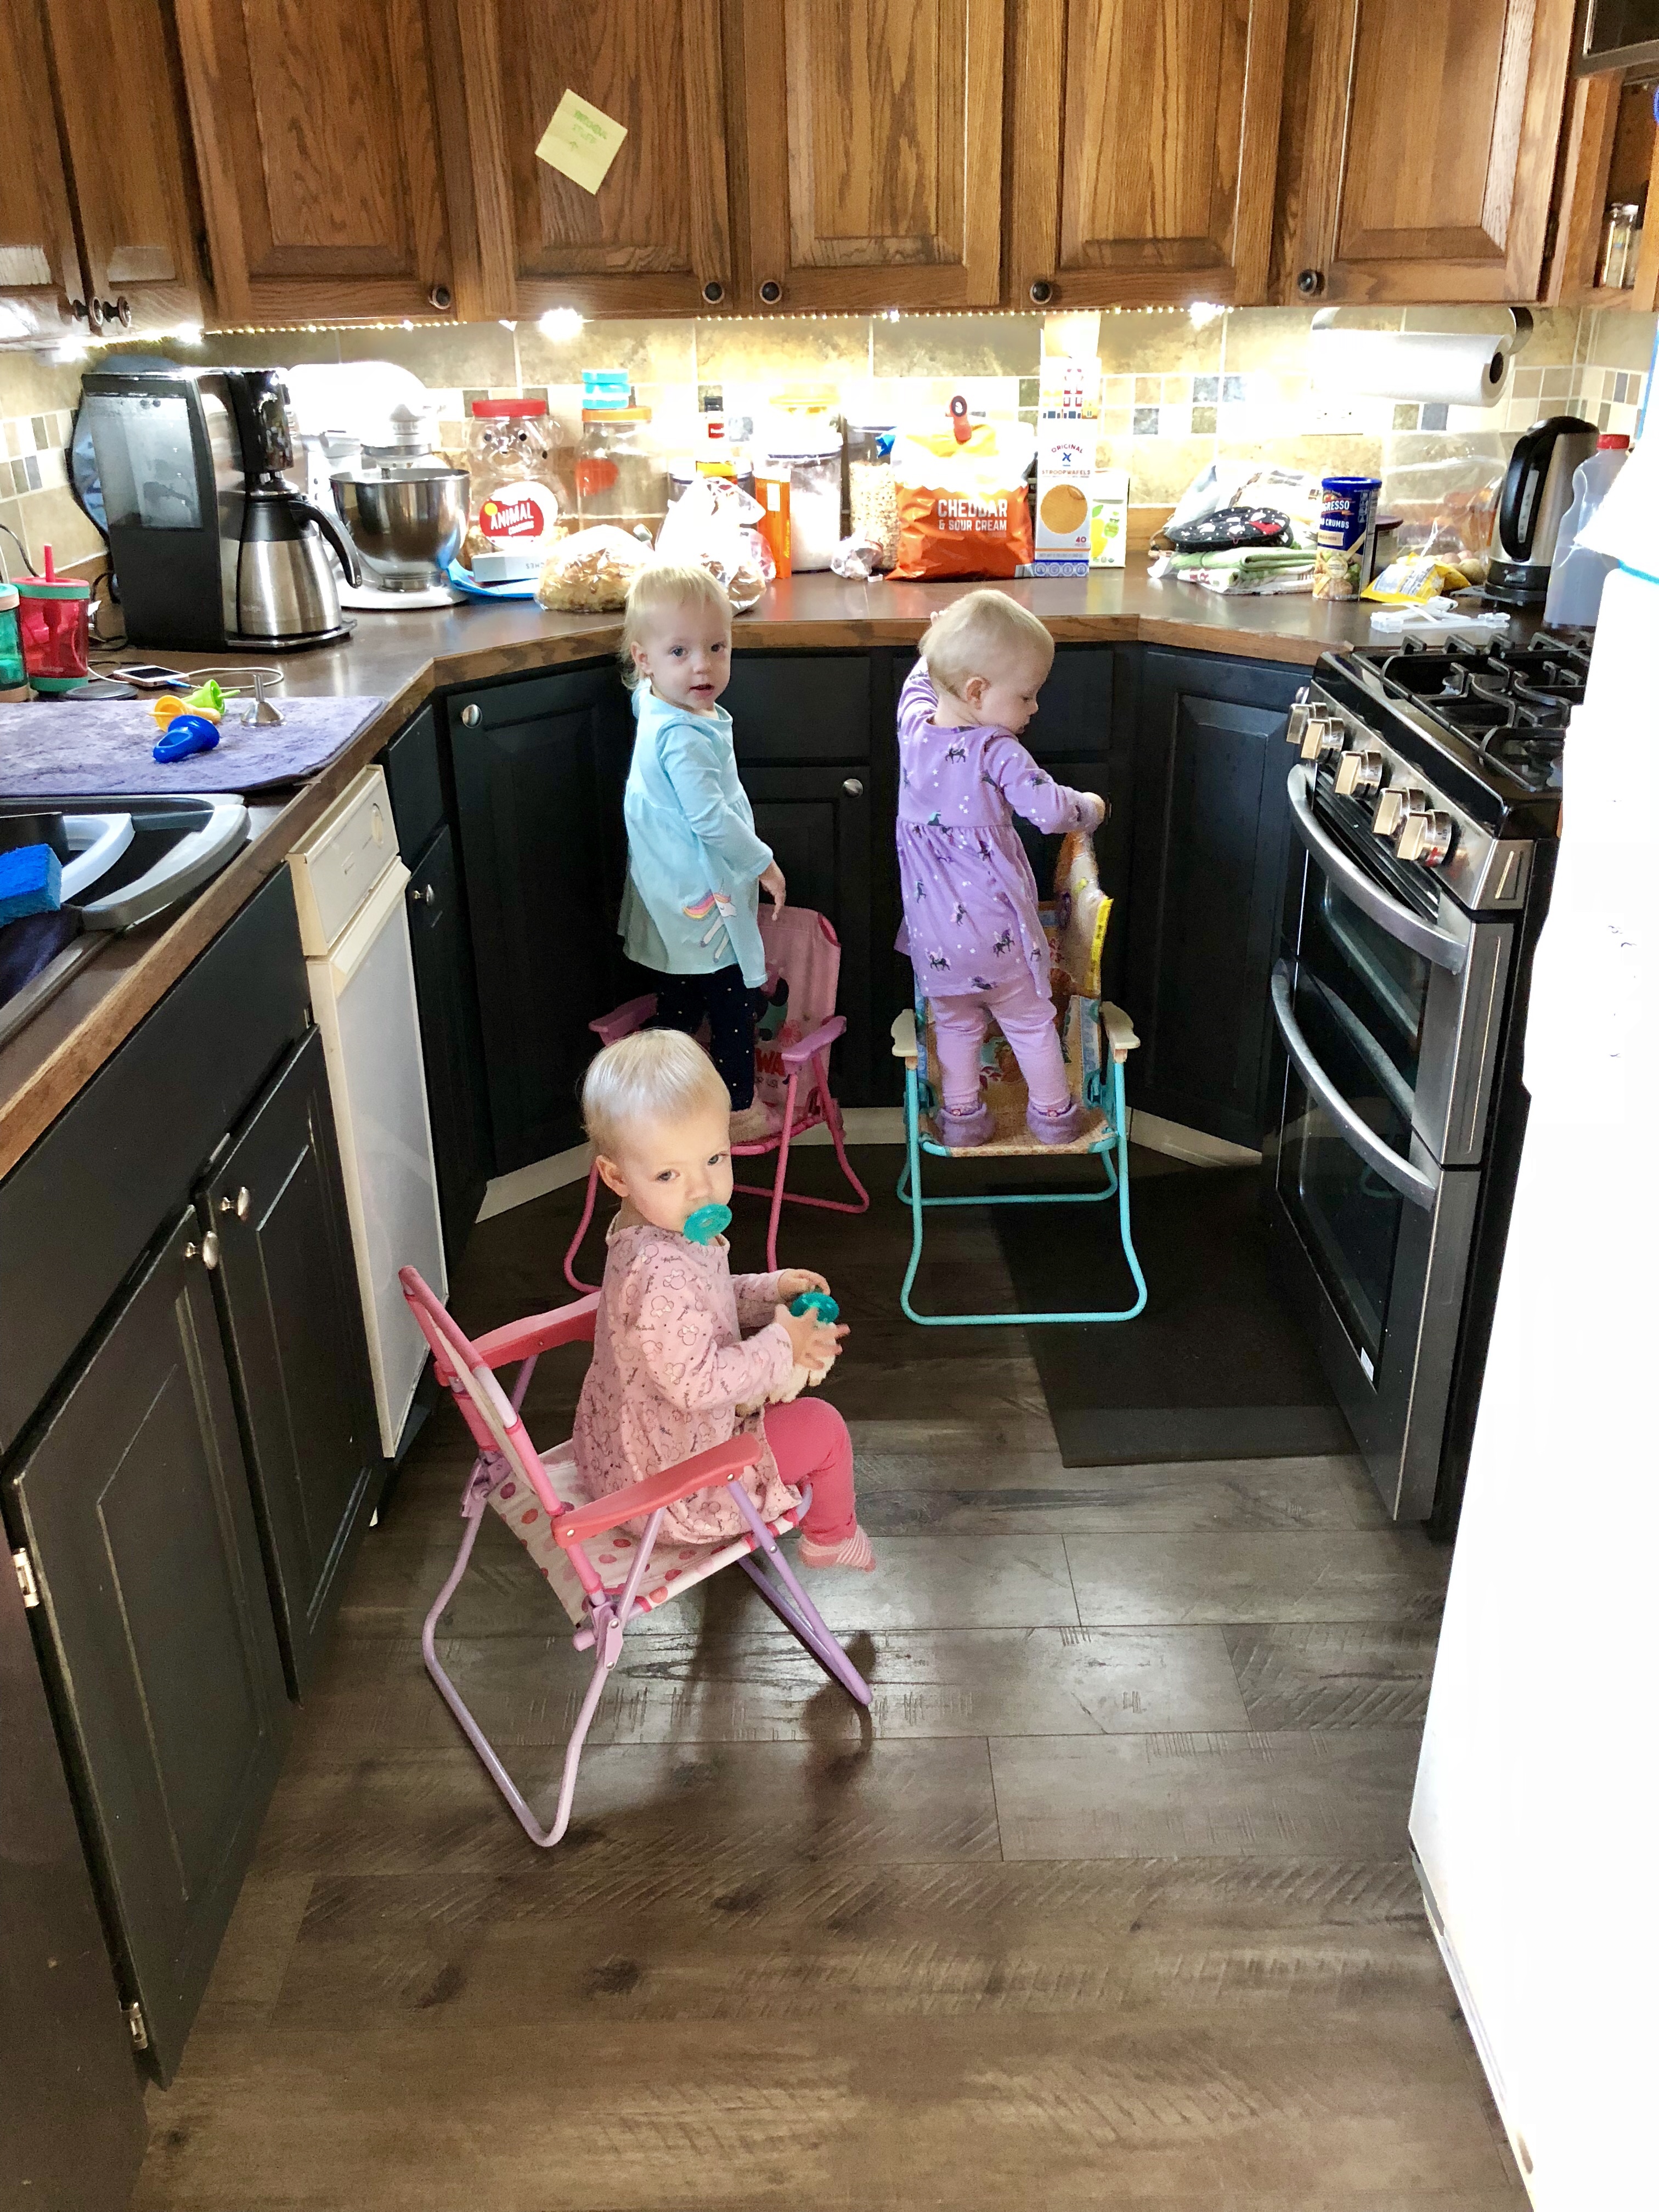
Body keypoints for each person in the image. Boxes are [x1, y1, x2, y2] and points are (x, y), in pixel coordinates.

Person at [572, 1028, 876, 1571]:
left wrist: (769, 1290)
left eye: (714, 1158)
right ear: (617, 1177)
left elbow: (705, 1306)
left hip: (619, 1458)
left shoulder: (653, 1230)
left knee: (777, 1397)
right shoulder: (661, 1272)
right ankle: (832, 1538)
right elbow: (698, 1385)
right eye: (668, 1173)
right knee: (823, 1428)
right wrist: (783, 1345)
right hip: (674, 1493)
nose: (701, 1190)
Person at [896, 590, 1106, 1147]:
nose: (1033, 709)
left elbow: (920, 684)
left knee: (957, 1025)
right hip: (997, 934)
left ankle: (962, 1120)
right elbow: (1052, 812)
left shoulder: (913, 729)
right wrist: (1091, 807)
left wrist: (939, 649)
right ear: (976, 692)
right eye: (1027, 695)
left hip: (934, 938)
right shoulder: (997, 750)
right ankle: (1054, 1117)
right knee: (1031, 1022)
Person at [618, 562, 783, 1145]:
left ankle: (659, 1103)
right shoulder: (683, 736)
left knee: (682, 1000)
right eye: (680, 651)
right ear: (644, 659)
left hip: (669, 890)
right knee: (732, 1003)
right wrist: (763, 862)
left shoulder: (657, 703)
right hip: (701, 896)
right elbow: (711, 819)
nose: (703, 667)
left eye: (717, 647)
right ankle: (737, 1111)